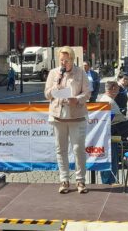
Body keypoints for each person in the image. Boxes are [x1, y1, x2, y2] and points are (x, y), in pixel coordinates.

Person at [44, 46, 91, 194]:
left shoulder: (81, 72)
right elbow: (47, 94)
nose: (64, 63)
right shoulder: (53, 73)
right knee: (61, 149)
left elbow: (87, 92)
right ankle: (64, 180)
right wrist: (54, 87)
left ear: (72, 59)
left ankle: (80, 180)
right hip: (58, 115)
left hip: (76, 115)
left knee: (78, 149)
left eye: (66, 60)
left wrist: (76, 99)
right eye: (61, 60)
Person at [99, 81, 128, 184]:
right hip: (111, 131)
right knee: (111, 158)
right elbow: (108, 119)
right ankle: (110, 181)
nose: (119, 91)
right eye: (118, 89)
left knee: (113, 157)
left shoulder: (107, 100)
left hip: (113, 131)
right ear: (113, 88)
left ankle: (111, 180)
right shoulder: (107, 101)